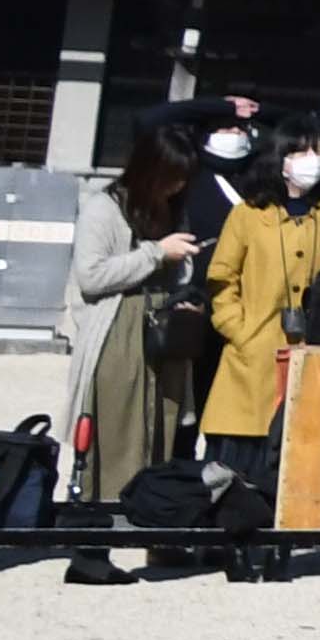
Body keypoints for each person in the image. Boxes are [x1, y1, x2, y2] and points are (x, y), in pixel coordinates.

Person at [64, 116, 212, 537]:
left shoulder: (172, 210)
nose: (178, 187)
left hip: (163, 337)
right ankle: (95, 541)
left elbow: (174, 273)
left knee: (160, 432)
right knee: (112, 434)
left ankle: (151, 531)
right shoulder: (103, 207)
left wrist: (183, 275)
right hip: (116, 334)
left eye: (185, 179)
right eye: (172, 177)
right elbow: (91, 277)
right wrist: (154, 253)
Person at [200, 119, 320, 485]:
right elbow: (222, 278)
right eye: (300, 151)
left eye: (317, 150)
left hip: (315, 359)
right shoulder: (248, 214)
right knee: (233, 481)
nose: (311, 159)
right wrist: (238, 330)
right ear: (280, 159)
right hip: (251, 362)